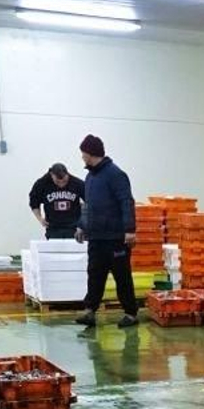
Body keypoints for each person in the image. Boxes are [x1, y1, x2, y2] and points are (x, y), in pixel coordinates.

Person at [74, 134, 139, 330]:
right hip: (96, 237)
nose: (82, 157)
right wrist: (81, 226)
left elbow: (126, 202)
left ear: (90, 153)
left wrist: (129, 230)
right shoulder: (90, 177)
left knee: (122, 276)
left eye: (83, 153)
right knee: (94, 275)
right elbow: (88, 206)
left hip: (115, 238)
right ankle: (89, 311)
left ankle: (130, 313)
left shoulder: (115, 174)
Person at [28, 163, 85, 240]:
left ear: (67, 174)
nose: (61, 184)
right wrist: (40, 218)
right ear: (51, 175)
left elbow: (90, 201)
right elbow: (34, 201)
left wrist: (82, 223)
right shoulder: (42, 184)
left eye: (64, 181)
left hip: (73, 227)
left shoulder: (77, 183)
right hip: (53, 228)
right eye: (57, 182)